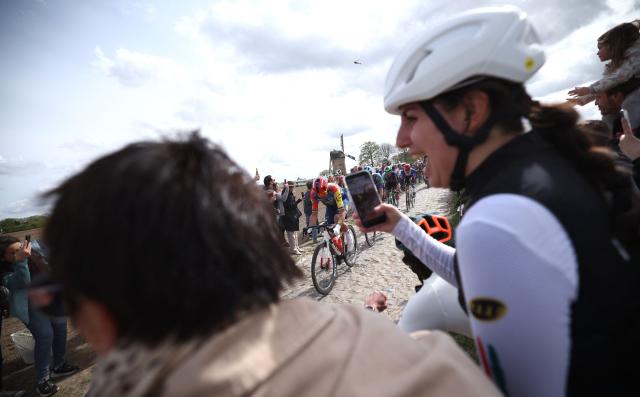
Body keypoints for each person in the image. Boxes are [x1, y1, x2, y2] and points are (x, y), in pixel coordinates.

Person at [38, 132, 501, 397]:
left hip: (341, 211)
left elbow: (335, 206)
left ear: (99, 310)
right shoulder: (425, 366)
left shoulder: (333, 190)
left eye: (66, 301)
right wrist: (359, 321)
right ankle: (332, 249)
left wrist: (341, 217)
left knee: (337, 228)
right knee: (328, 232)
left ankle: (340, 250)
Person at [356, 7, 640, 397]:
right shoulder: (544, 166)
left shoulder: (499, 218)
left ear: (472, 111)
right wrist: (401, 226)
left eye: (411, 117)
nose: (402, 140)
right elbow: (476, 270)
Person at [0, 236, 78, 397]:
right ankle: (43, 380)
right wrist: (21, 261)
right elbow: (23, 282)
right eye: (12, 253)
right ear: (3, 257)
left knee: (61, 329)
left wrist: (38, 258)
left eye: (19, 249)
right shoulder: (4, 272)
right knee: (45, 335)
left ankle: (59, 365)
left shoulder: (34, 251)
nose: (18, 253)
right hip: (30, 306)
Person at [568, 20, 640, 114]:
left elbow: (618, 77)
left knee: (628, 103)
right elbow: (606, 86)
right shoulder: (615, 65)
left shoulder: (635, 55)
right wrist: (582, 100)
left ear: (613, 45)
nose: (597, 52)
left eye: (600, 48)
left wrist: (590, 89)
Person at [282, 180, 302, 255]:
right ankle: (293, 249)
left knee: (294, 233)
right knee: (291, 234)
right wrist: (298, 201)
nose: (293, 188)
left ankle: (296, 247)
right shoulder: (287, 195)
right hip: (288, 216)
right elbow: (290, 206)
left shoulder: (288, 194)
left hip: (291, 216)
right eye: (292, 187)